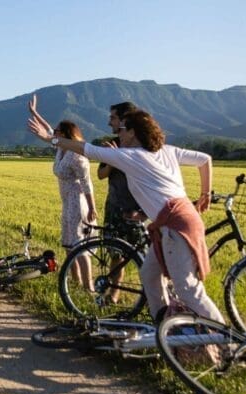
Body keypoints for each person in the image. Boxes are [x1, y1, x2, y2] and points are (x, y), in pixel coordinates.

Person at [28, 108, 225, 324]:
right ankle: (165, 328)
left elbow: (86, 149)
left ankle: (227, 341)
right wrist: (205, 193)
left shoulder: (131, 156)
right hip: (177, 220)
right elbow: (205, 159)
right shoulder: (166, 150)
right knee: (150, 275)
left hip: (175, 225)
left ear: (132, 132)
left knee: (188, 289)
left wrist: (51, 140)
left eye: (122, 129)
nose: (118, 133)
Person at [28, 94, 97, 292]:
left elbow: (87, 182)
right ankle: (75, 285)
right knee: (69, 246)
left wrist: (92, 207)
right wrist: (35, 112)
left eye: (58, 132)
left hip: (79, 202)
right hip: (67, 202)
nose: (54, 134)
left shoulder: (77, 156)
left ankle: (89, 287)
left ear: (66, 135)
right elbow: (49, 131)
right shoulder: (61, 150)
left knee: (80, 246)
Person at [97, 101, 144, 304]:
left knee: (143, 257)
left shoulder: (141, 146)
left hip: (136, 210)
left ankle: (152, 299)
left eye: (113, 118)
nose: (110, 122)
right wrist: (112, 158)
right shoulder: (113, 144)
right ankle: (113, 295)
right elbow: (100, 174)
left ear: (125, 120)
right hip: (114, 207)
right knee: (115, 257)